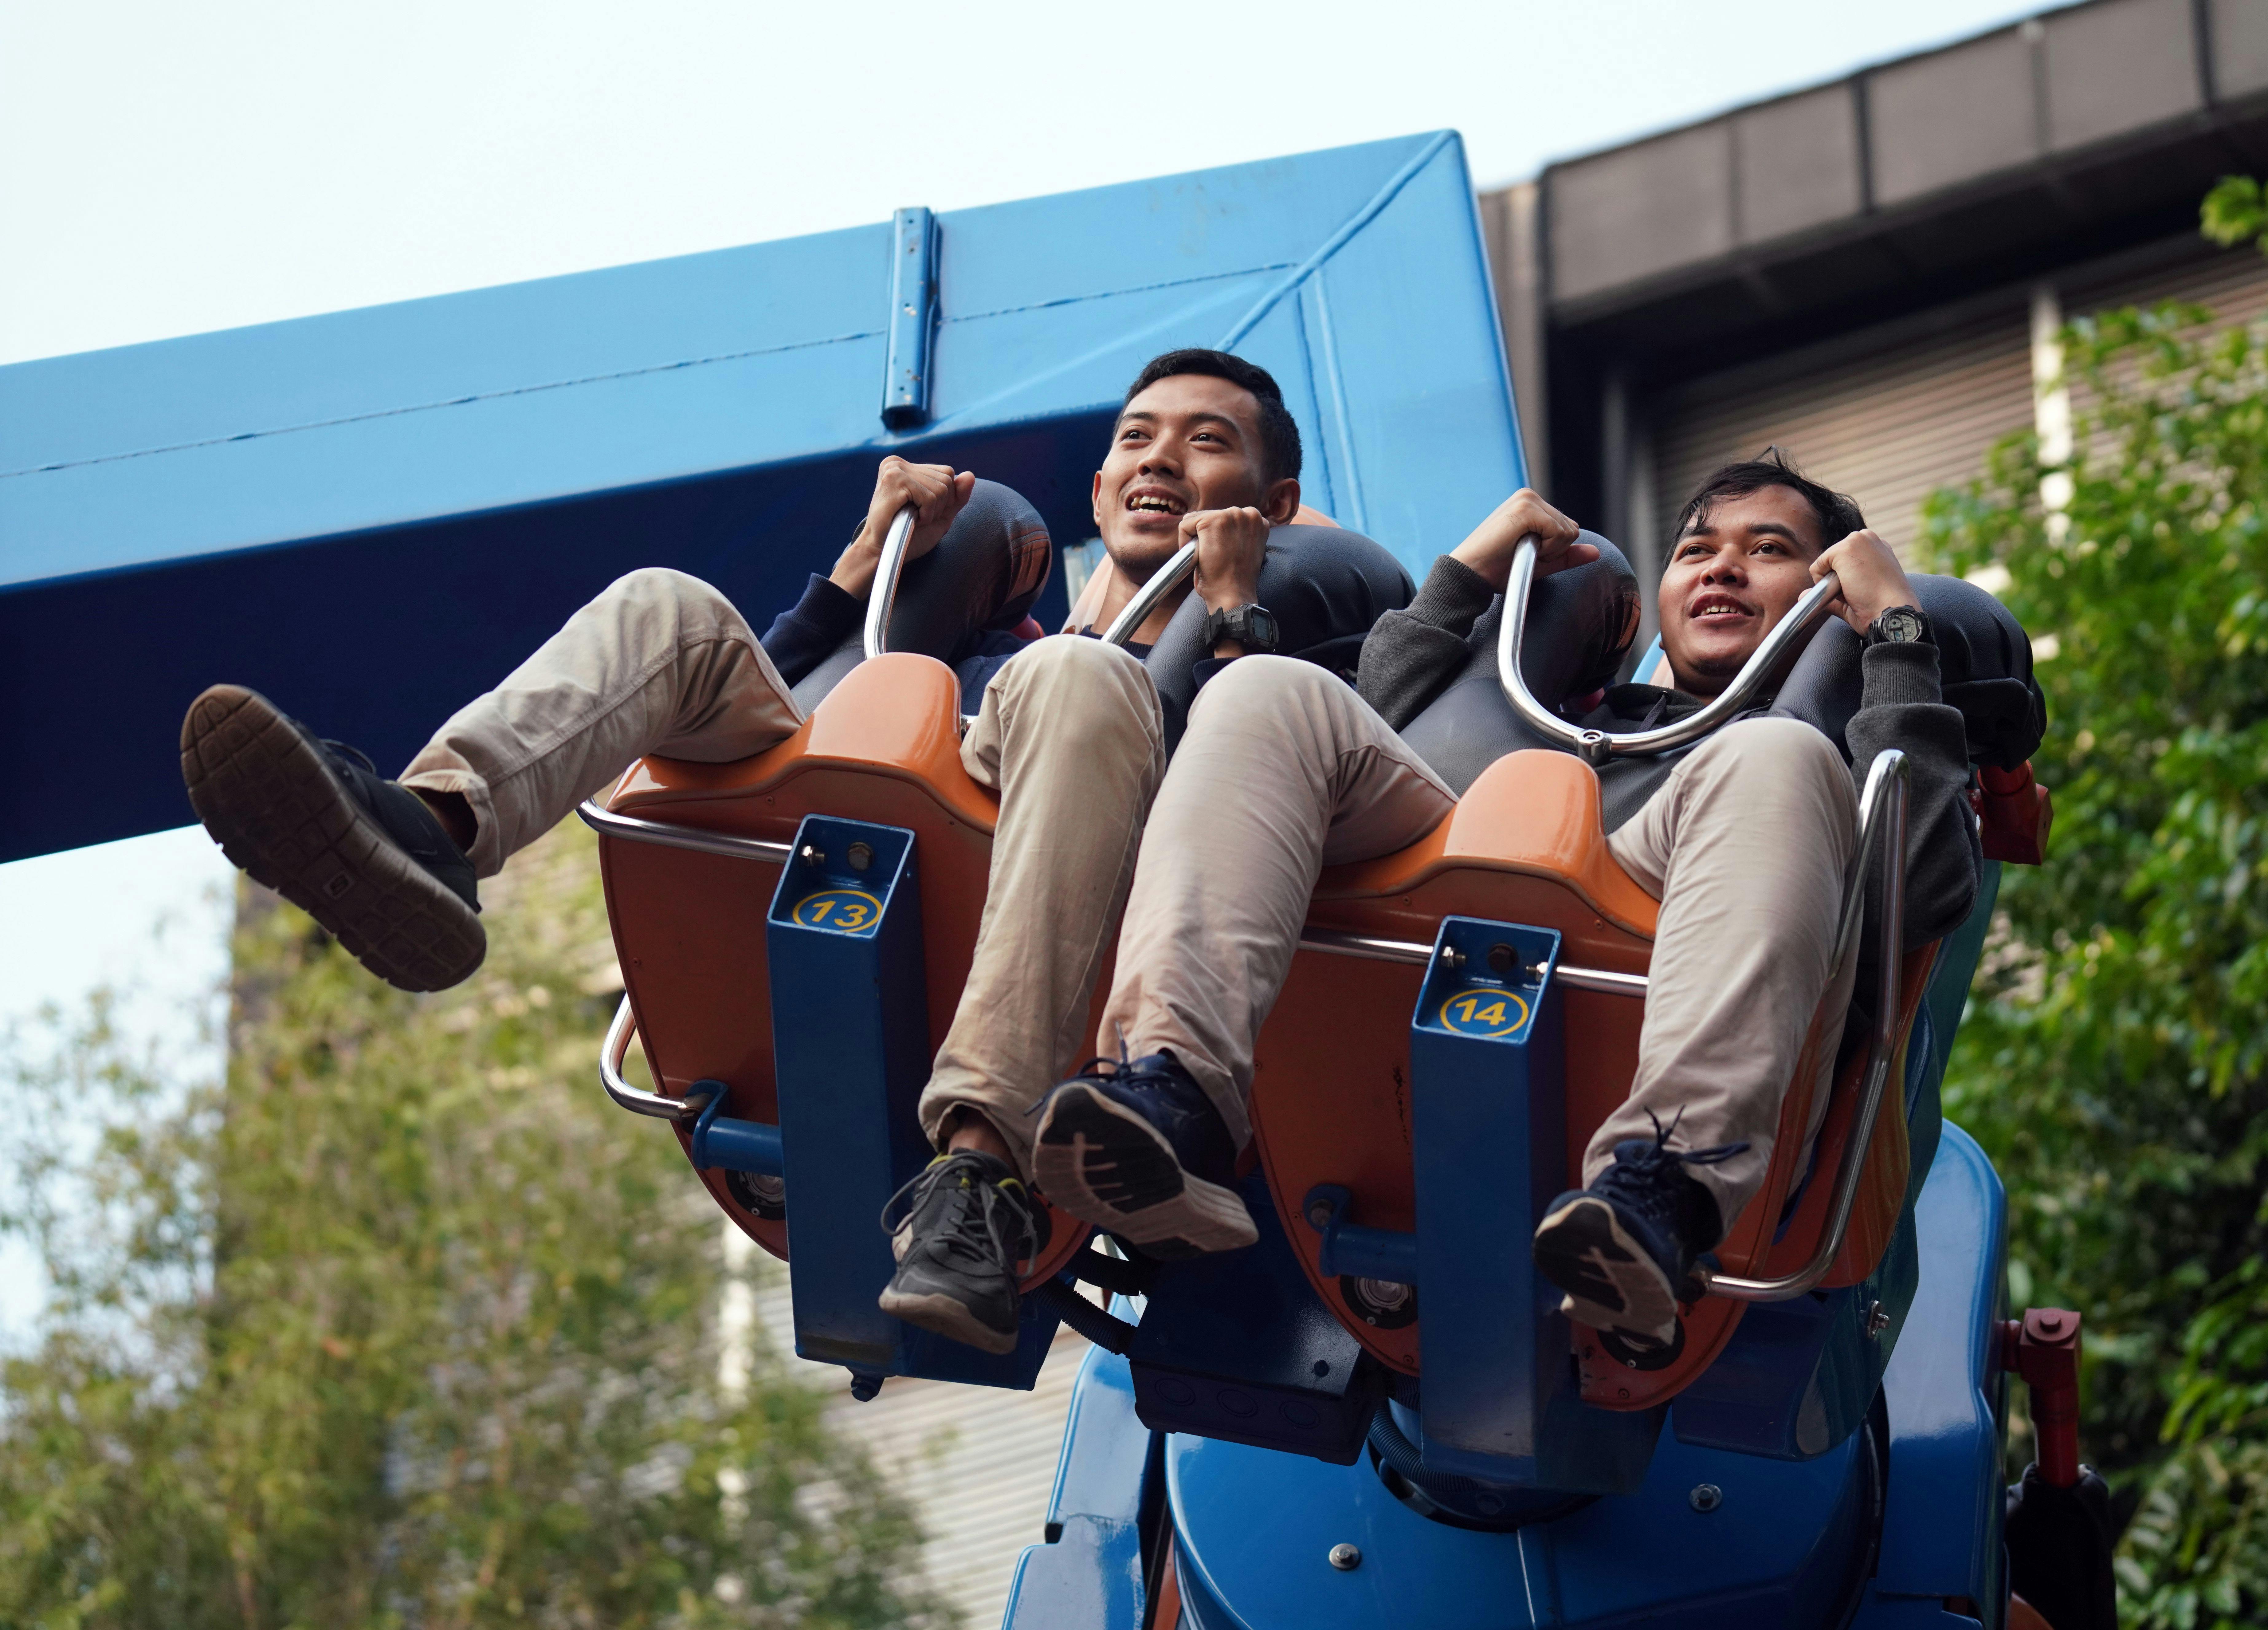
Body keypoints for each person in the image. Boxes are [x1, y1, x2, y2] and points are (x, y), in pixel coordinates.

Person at [178, 348, 1383, 1357]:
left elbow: (1244, 801)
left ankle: (982, 1182)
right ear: (1099, 478)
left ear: (1270, 506)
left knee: (1078, 677)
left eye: (1207, 441)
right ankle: (433, 827)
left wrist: (1233, 610)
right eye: (1135, 436)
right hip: (916, 820)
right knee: (669, 605)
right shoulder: (993, 654)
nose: (1161, 459)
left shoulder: (1250, 663)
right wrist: (858, 577)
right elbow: (787, 716)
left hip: (1086, 919)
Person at [1022, 455, 1982, 1367]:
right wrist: (1463, 581)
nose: (1723, 565)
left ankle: (1665, 1189)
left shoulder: (1809, 763)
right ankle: (1172, 1089)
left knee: (1776, 753)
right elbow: (1370, 730)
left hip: (1670, 956)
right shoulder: (1558, 709)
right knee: (1270, 690)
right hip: (1436, 941)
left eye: (1769, 550)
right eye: (1697, 548)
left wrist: (1895, 629)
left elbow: (1927, 887)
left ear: (1825, 602)